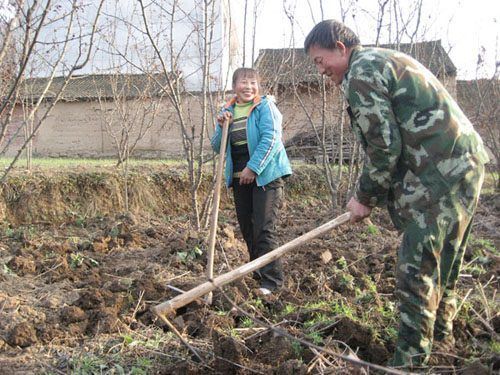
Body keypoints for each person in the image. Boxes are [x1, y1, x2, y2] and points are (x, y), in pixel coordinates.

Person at [304, 20, 489, 367]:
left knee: (415, 269)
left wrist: (364, 197)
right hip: (464, 164)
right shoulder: (381, 60)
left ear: (341, 49)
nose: (320, 70)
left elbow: (384, 146)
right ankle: (441, 338)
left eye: (320, 60)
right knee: (444, 256)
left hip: (439, 173)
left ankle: (410, 363)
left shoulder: (361, 73)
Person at [211, 67, 292, 295]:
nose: (248, 87)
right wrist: (221, 125)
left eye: (253, 83)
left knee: (263, 229)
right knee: (248, 228)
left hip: (266, 175)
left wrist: (253, 168)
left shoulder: (265, 107)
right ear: (234, 85)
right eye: (243, 83)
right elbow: (218, 146)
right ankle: (258, 273)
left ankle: (272, 282)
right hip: (240, 178)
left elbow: (272, 139)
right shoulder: (228, 110)